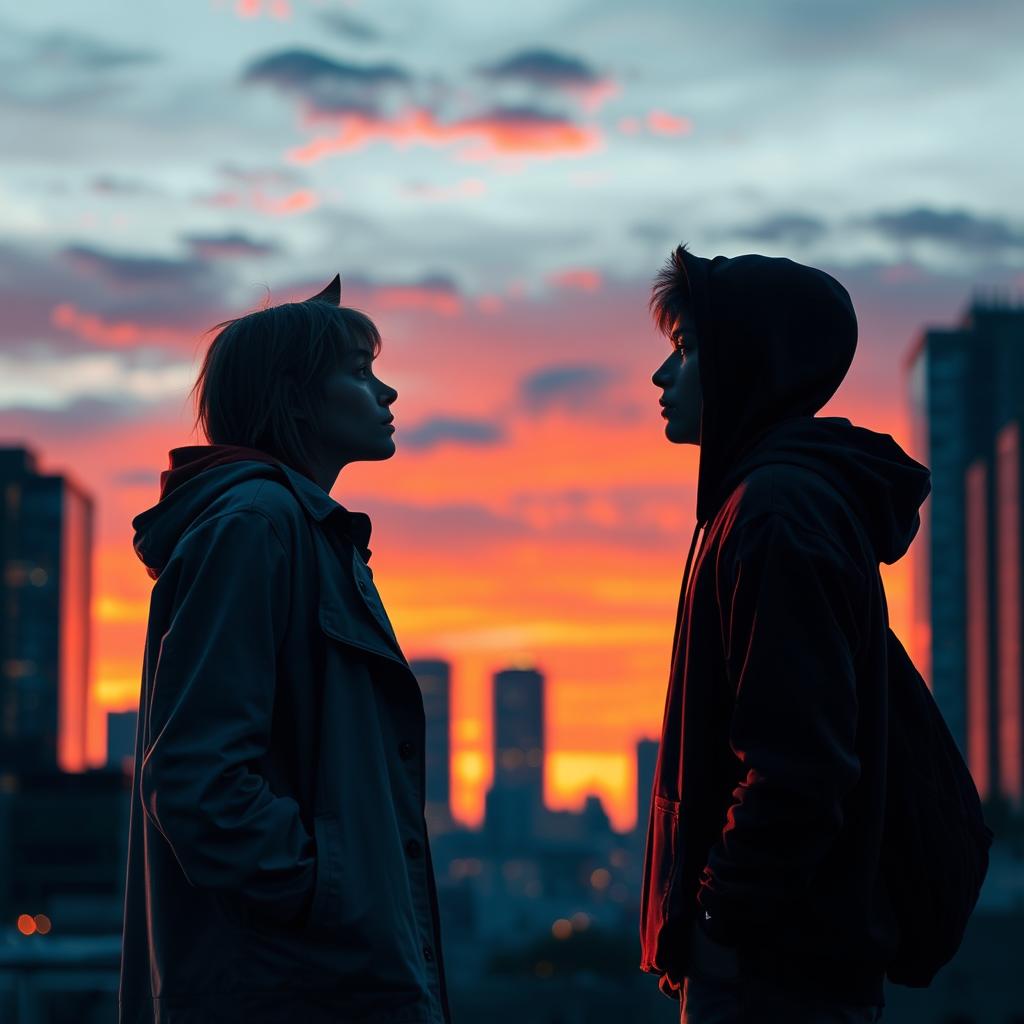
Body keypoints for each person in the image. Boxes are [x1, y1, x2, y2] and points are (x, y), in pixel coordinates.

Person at [118, 276, 451, 1024]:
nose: (388, 392)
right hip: (299, 987)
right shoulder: (257, 525)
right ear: (297, 398)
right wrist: (327, 897)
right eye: (360, 373)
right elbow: (199, 778)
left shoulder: (296, 529)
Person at [638, 245, 931, 1023]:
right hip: (782, 962)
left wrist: (717, 923)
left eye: (687, 350)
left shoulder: (777, 514)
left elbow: (799, 766)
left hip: (776, 974)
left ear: (747, 361)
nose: (663, 378)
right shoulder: (766, 503)